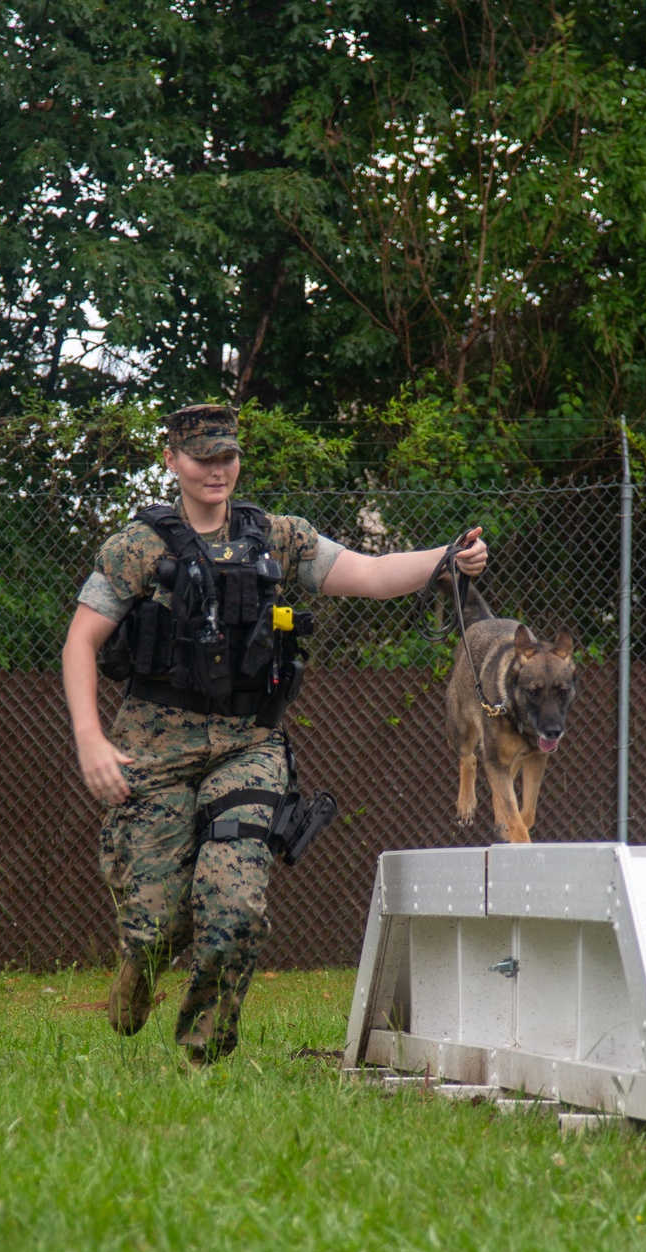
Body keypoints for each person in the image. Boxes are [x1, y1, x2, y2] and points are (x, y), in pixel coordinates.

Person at [62, 403, 487, 1065]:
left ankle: (204, 1057)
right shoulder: (138, 546)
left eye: (227, 456)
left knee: (233, 909)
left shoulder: (276, 538)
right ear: (172, 461)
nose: (217, 469)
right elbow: (81, 641)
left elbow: (371, 576)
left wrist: (448, 557)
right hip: (153, 751)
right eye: (202, 458)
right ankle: (139, 971)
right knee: (157, 927)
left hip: (247, 747)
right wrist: (91, 737)